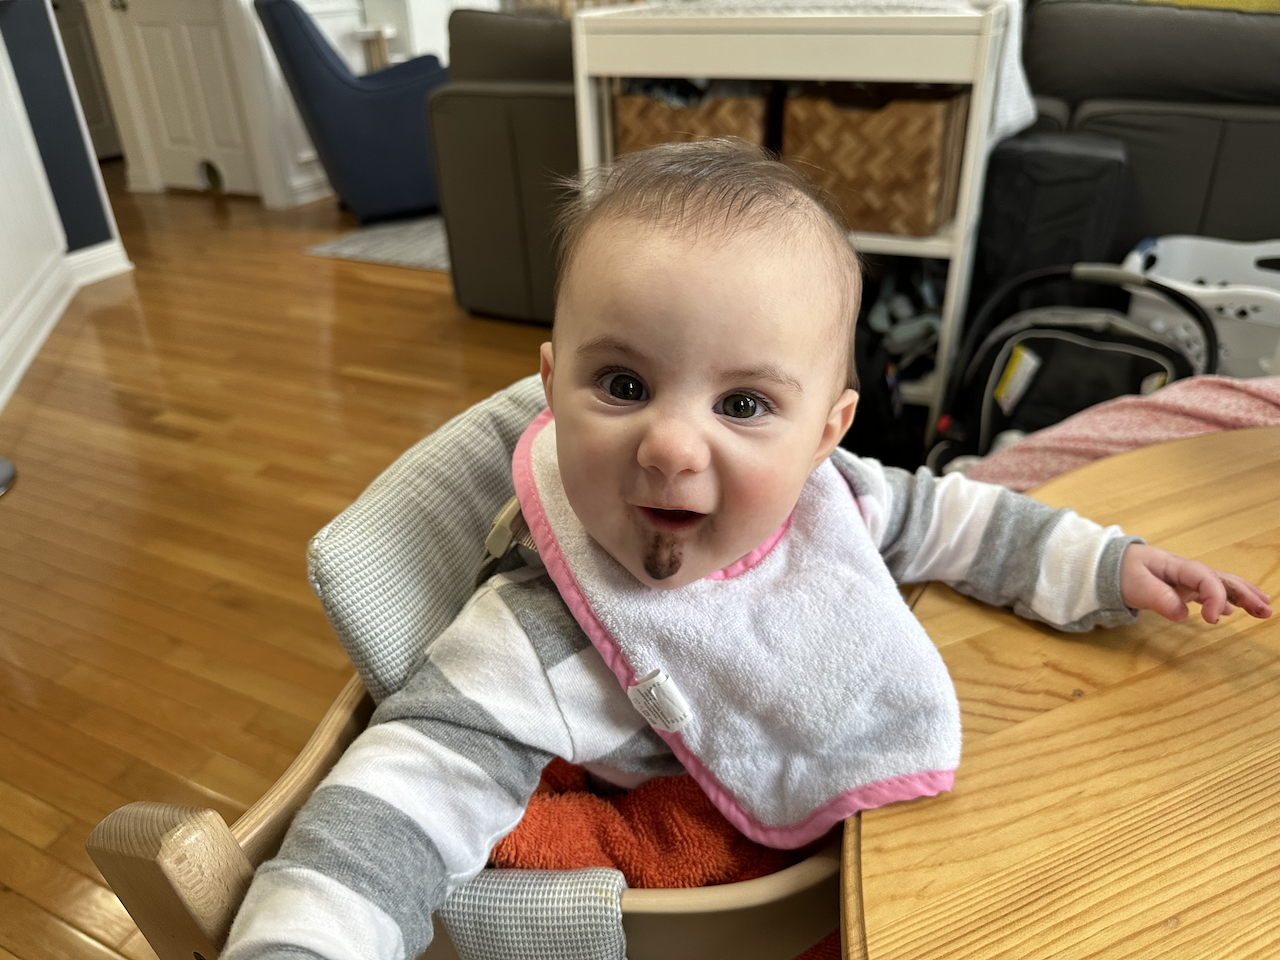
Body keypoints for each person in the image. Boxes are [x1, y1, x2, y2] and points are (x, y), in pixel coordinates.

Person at [222, 140, 1271, 960]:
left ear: (826, 432)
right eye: (623, 385)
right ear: (550, 386)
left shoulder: (830, 496)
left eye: (743, 404)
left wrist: (1105, 566)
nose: (672, 447)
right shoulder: (544, 624)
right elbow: (402, 792)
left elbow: (956, 520)